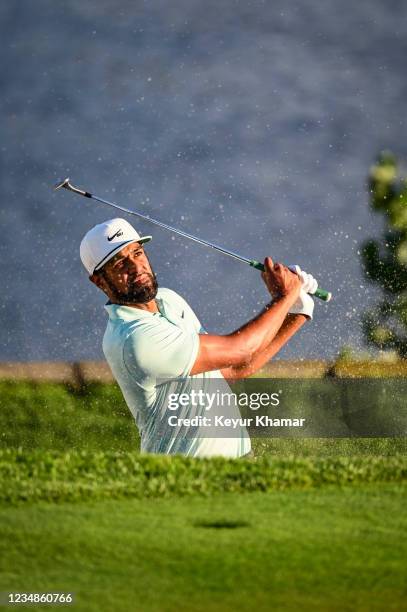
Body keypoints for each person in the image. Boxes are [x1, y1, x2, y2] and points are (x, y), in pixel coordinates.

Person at [80, 218, 318, 458]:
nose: (135, 266)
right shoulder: (134, 338)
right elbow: (239, 349)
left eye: (137, 253)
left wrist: (297, 312)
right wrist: (284, 296)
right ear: (99, 280)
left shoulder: (169, 300)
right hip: (188, 477)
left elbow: (231, 370)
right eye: (119, 262)